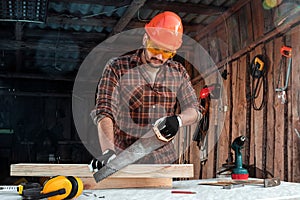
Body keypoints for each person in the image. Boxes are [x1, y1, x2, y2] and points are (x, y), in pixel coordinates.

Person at [89, 11, 201, 172]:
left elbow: (195, 110)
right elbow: (104, 110)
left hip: (163, 161)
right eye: (155, 49)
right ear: (145, 40)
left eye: (167, 52)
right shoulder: (117, 68)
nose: (160, 57)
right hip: (123, 159)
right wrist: (108, 151)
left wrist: (179, 120)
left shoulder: (178, 72)